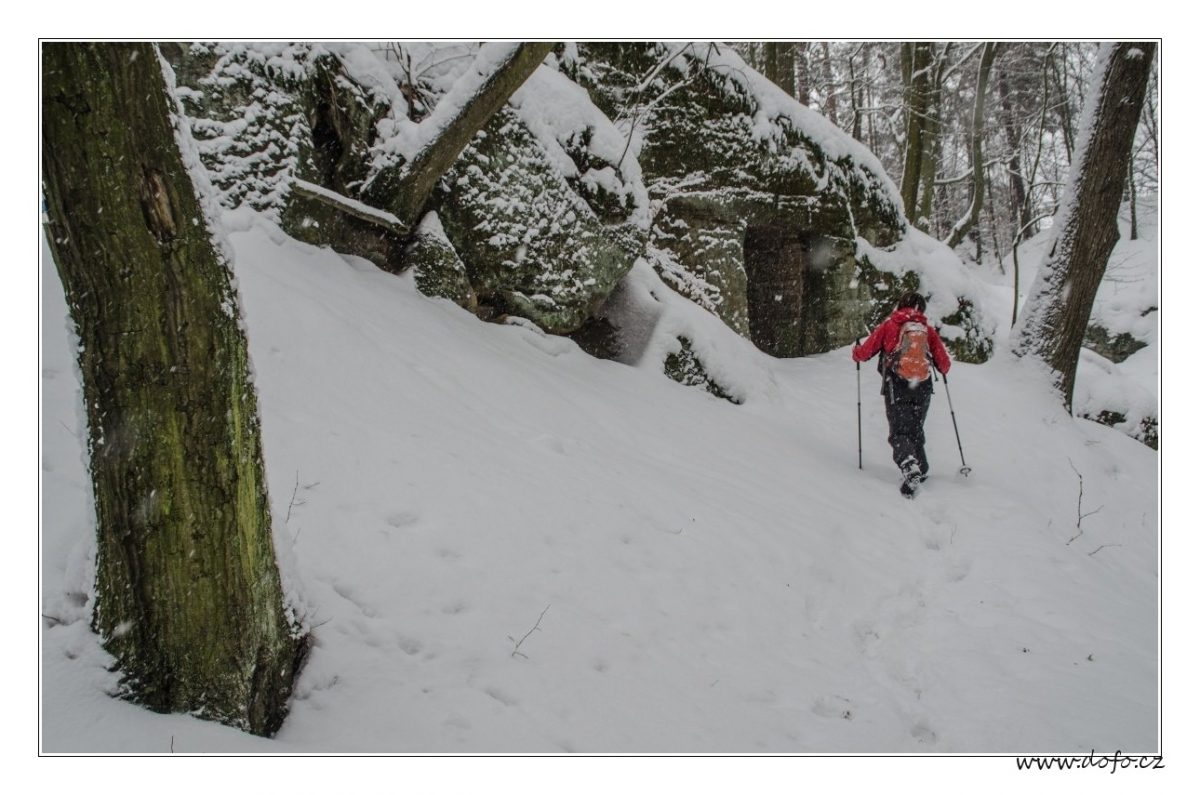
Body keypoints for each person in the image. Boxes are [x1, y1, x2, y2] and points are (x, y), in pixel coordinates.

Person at [852, 292, 952, 496]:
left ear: (900, 305)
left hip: (896, 386)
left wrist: (856, 351)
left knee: (899, 432)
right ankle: (921, 466)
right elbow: (944, 364)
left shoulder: (890, 325)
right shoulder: (927, 330)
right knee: (915, 428)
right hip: (922, 388)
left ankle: (909, 466)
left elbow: (865, 353)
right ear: (921, 309)